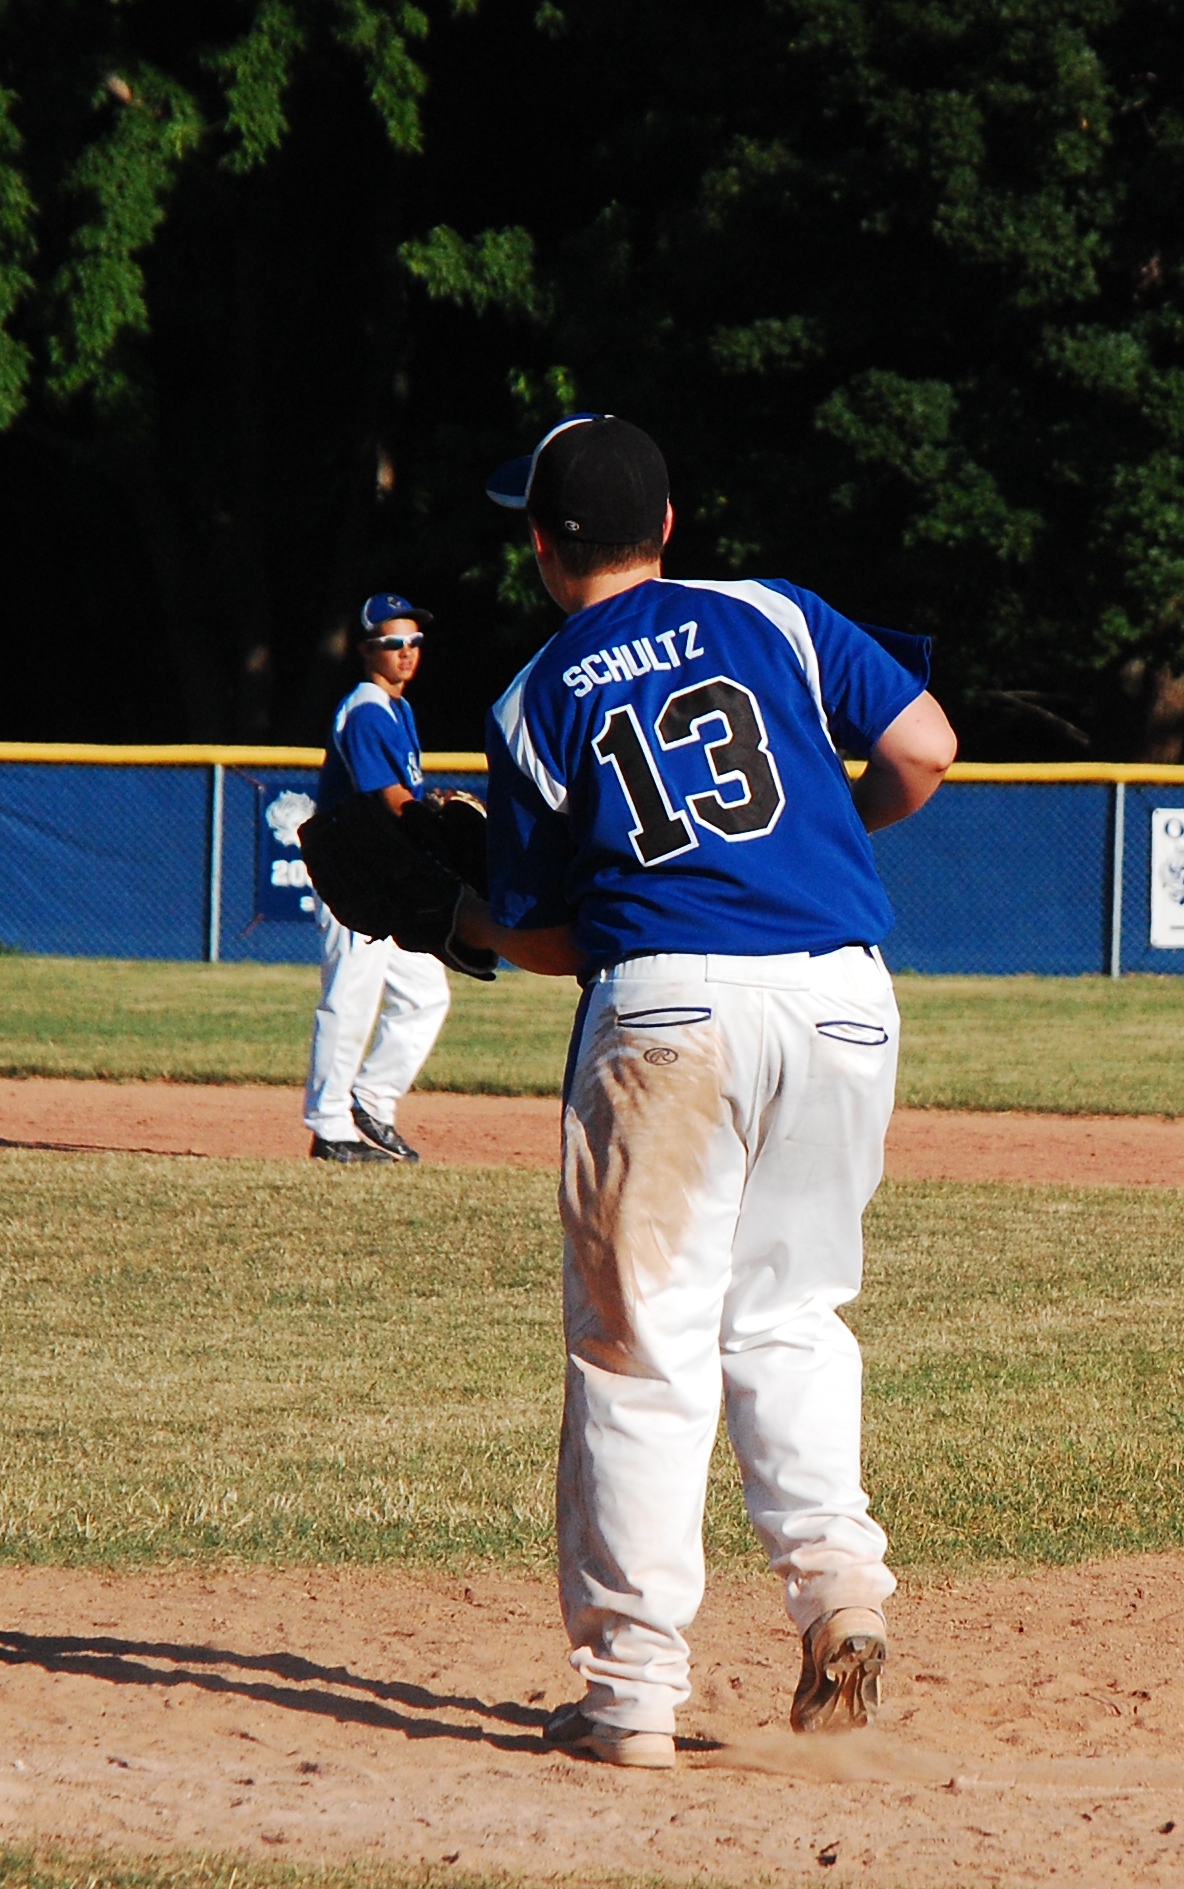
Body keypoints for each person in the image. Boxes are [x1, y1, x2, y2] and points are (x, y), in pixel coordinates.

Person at [447, 415, 959, 1769]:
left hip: (671, 1011)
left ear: (543, 547)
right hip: (842, 998)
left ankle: (629, 1694)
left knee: (643, 1351)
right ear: (669, 525)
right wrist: (832, 826)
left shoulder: (533, 696)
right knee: (790, 1313)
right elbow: (924, 748)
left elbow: (552, 934)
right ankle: (839, 1589)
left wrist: (455, 918)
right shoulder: (773, 612)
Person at [303, 593, 453, 1165]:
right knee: (350, 997)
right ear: (367, 650)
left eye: (415, 642)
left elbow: (404, 796)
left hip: (384, 875)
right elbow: (387, 798)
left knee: (425, 995)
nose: (407, 652)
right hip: (351, 874)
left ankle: (371, 1099)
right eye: (394, 643)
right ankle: (328, 1125)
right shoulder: (366, 710)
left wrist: (430, 810)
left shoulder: (397, 708)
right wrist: (433, 822)